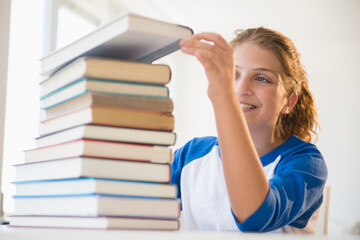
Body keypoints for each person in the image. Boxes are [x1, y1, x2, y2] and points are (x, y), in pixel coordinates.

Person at [171, 27, 328, 233]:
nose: (241, 89)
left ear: (288, 102)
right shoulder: (192, 154)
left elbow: (255, 217)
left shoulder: (305, 163)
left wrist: (223, 97)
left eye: (261, 78)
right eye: (233, 75)